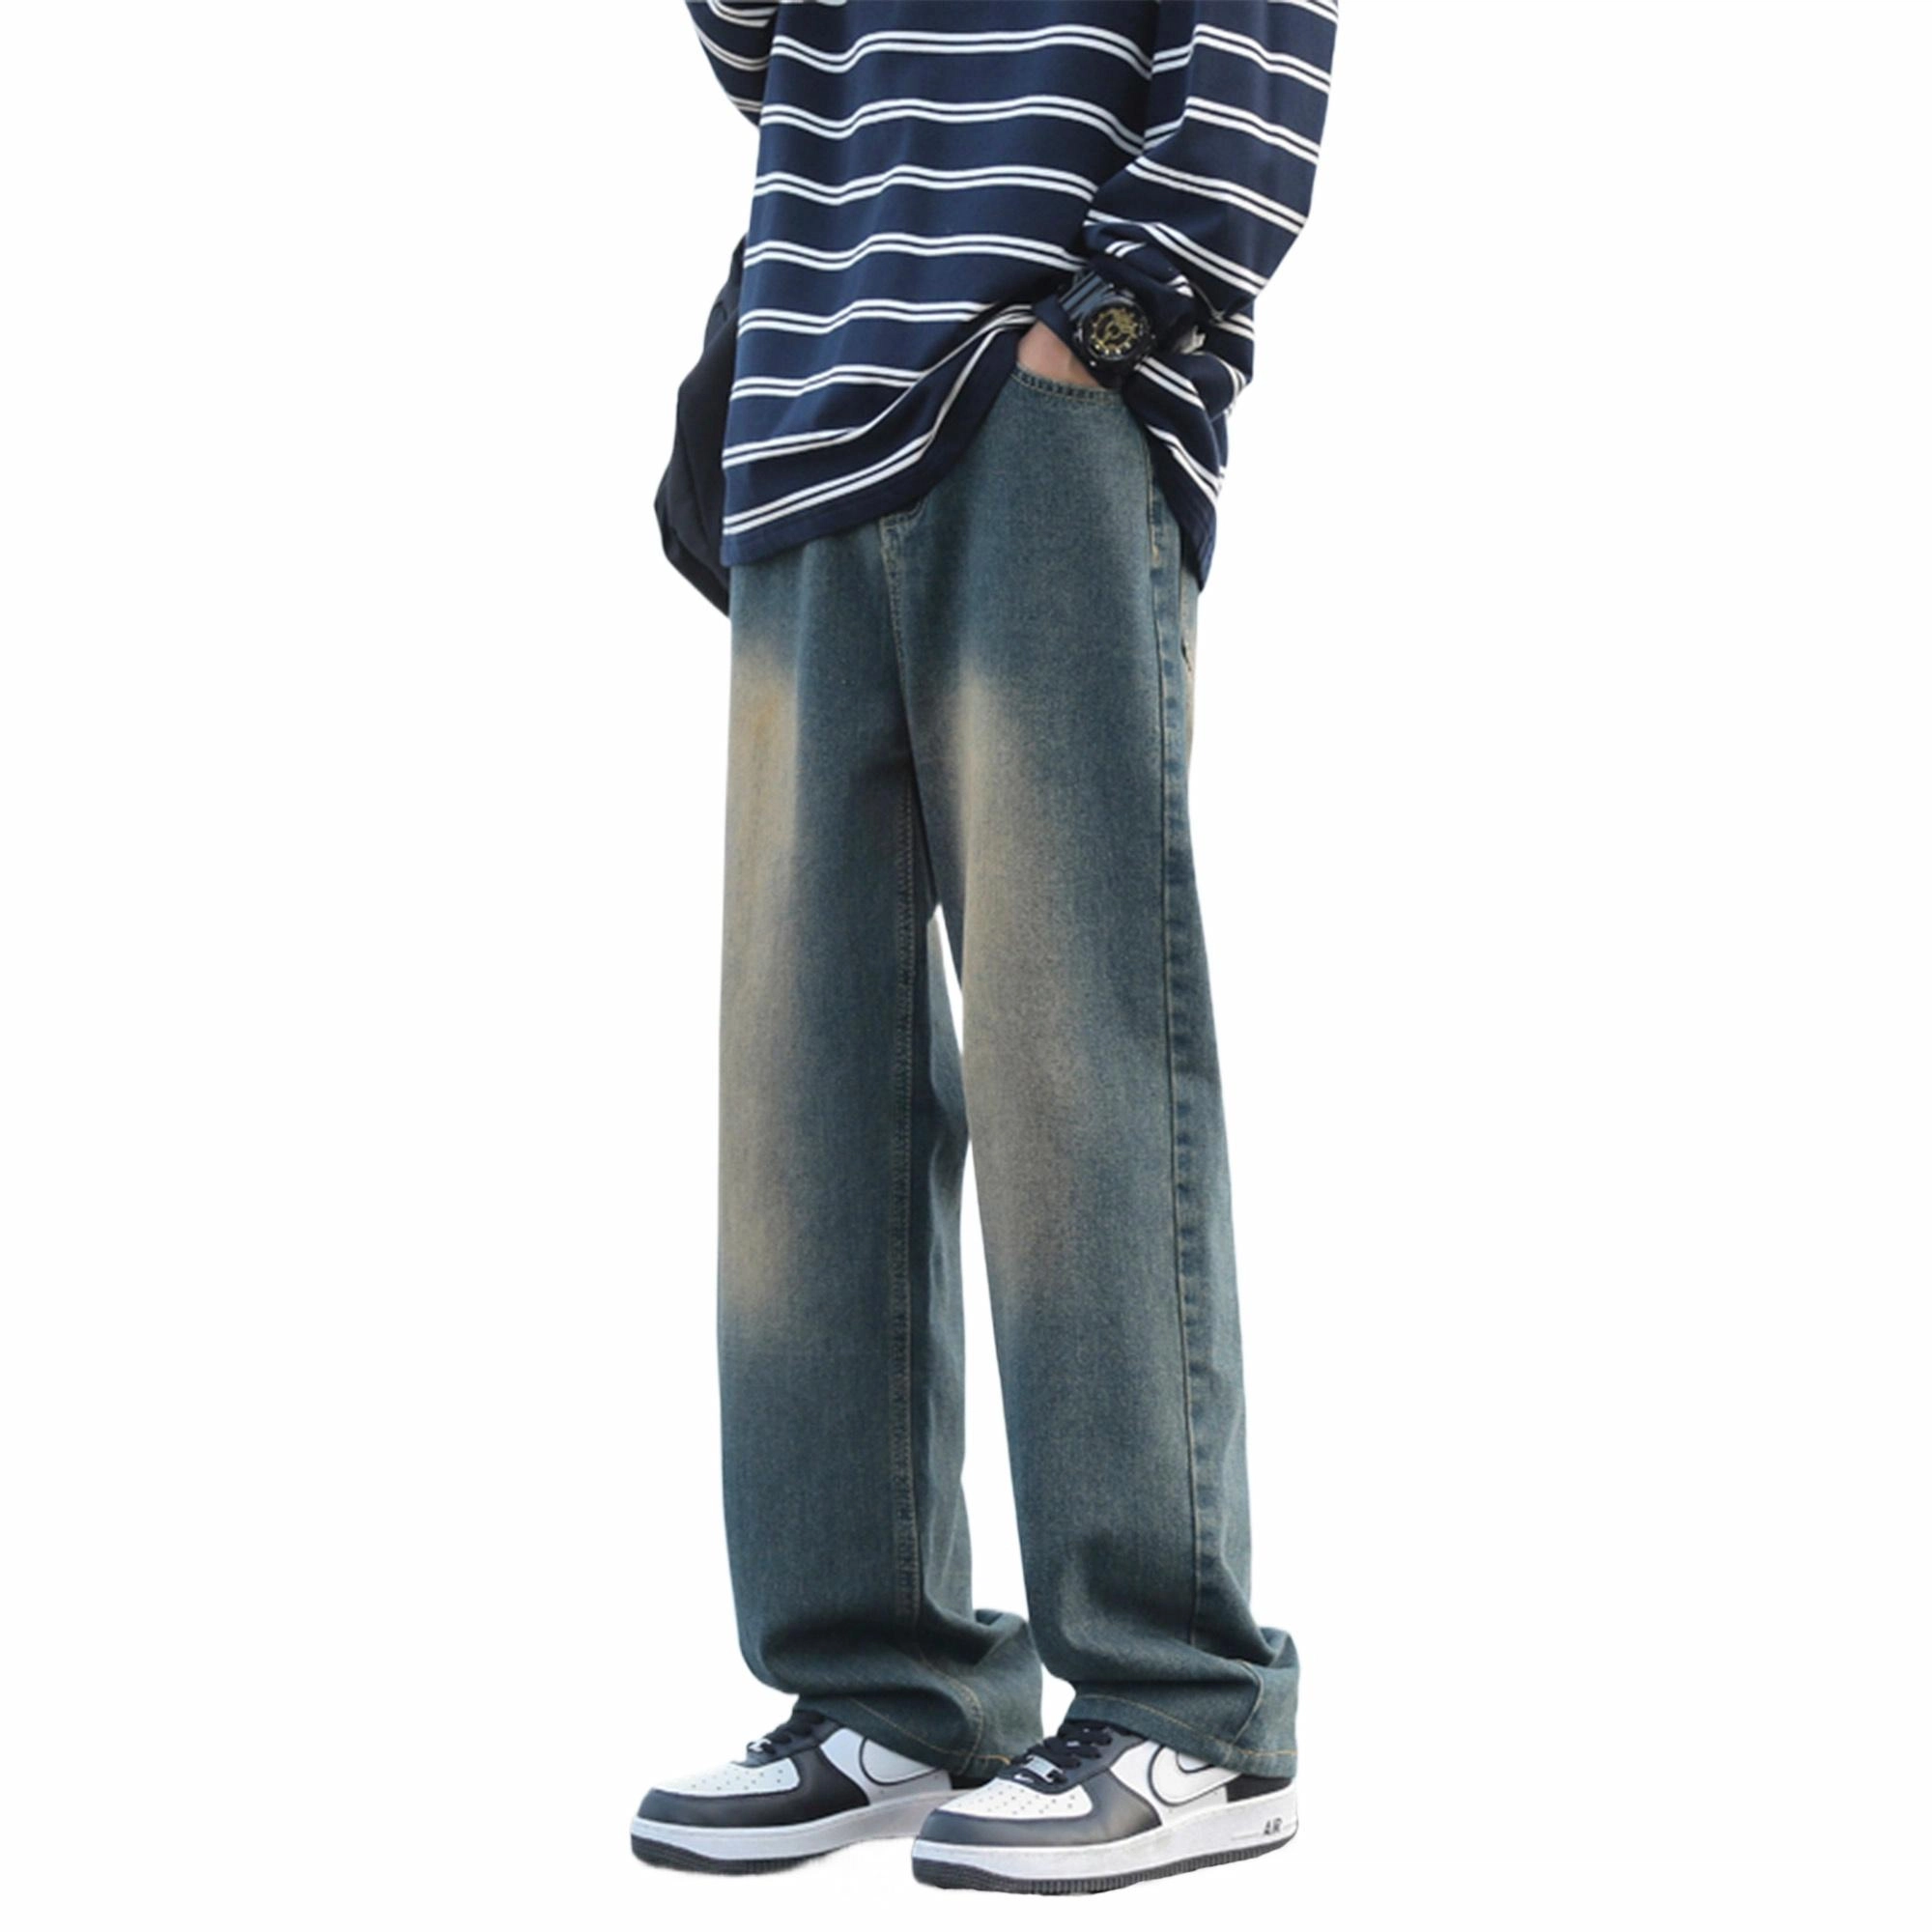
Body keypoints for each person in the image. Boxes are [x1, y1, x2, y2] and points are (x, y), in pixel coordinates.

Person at [632, 1, 1338, 1895]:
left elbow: (1260, 47)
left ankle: (1187, 1710)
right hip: (803, 401)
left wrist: (1104, 329)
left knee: (1067, 1055)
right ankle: (891, 1689)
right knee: (803, 1098)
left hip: (1033, 401)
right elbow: (770, 56)